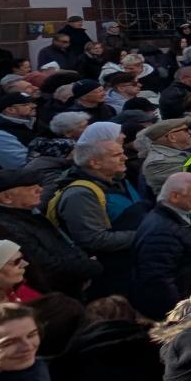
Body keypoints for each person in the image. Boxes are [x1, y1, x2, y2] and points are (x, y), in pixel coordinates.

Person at [0, 165, 101, 301]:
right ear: (7, 197)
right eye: (30, 188)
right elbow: (42, 265)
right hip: (50, 299)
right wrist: (88, 267)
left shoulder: (25, 214)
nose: (40, 190)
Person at [43, 122, 145, 296]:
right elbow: (94, 239)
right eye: (116, 155)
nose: (125, 158)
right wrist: (146, 234)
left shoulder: (118, 179)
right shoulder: (80, 194)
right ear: (95, 163)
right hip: (111, 274)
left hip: (133, 262)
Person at [130, 171, 191, 320]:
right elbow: (159, 281)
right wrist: (181, 314)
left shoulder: (182, 214)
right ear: (175, 196)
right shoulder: (160, 232)